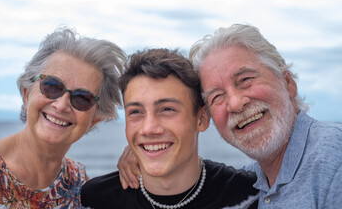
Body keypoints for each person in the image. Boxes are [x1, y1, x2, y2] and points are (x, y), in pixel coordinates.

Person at [118, 24, 342, 208]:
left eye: (245, 80)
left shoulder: (333, 159)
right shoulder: (251, 182)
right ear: (206, 117)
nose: (235, 103)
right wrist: (150, 149)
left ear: (288, 83)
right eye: (217, 96)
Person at [81, 48, 259, 208]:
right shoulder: (95, 199)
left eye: (167, 109)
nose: (148, 129)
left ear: (202, 119)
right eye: (136, 111)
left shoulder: (250, 195)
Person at [0, 27, 126, 208]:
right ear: (27, 95)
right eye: (51, 86)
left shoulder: (79, 183)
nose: (61, 105)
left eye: (82, 98)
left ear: (94, 120)